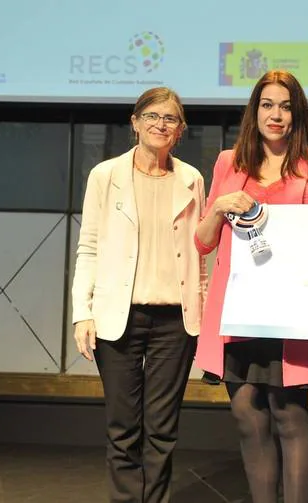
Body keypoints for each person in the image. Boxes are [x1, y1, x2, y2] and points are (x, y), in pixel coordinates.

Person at [194, 70, 308, 503]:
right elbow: (203, 239)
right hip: (240, 309)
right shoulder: (229, 163)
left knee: (288, 415)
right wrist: (219, 208)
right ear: (254, 111)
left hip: (293, 312)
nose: (276, 114)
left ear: (297, 113)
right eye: (267, 104)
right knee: (247, 414)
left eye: (286, 106)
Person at [71, 87, 206, 503]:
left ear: (180, 129)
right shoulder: (105, 175)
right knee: (123, 428)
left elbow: (200, 255)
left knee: (162, 430)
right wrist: (82, 312)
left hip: (173, 322)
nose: (160, 125)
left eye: (170, 119)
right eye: (152, 116)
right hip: (118, 316)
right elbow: (88, 246)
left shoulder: (191, 179)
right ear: (135, 122)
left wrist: (201, 312)